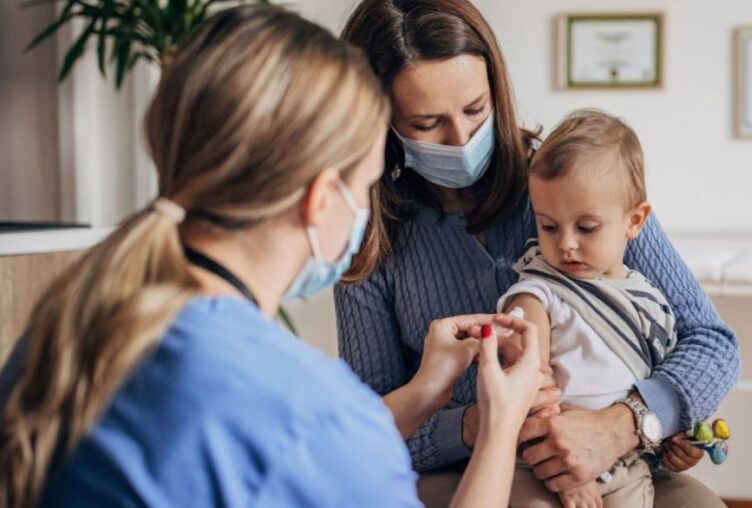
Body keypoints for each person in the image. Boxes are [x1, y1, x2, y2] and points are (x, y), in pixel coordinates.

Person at [0, 7, 543, 507]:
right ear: (322, 199)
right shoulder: (308, 414)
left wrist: (423, 394)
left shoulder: (68, 333)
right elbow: (314, 440)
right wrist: (498, 426)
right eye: (371, 182)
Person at [336, 1, 741, 506]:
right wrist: (474, 425)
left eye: (474, 110)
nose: (460, 140)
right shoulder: (370, 238)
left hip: (618, 459)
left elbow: (713, 342)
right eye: (425, 123)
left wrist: (627, 424)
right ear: (380, 120)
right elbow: (363, 427)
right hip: (463, 469)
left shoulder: (577, 185)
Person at [499, 109, 714, 508]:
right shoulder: (536, 295)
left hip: (630, 465)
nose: (565, 244)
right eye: (548, 226)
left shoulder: (650, 299)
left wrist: (674, 443)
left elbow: (659, 374)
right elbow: (524, 388)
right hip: (542, 464)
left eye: (586, 228)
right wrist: (564, 474)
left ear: (634, 221)